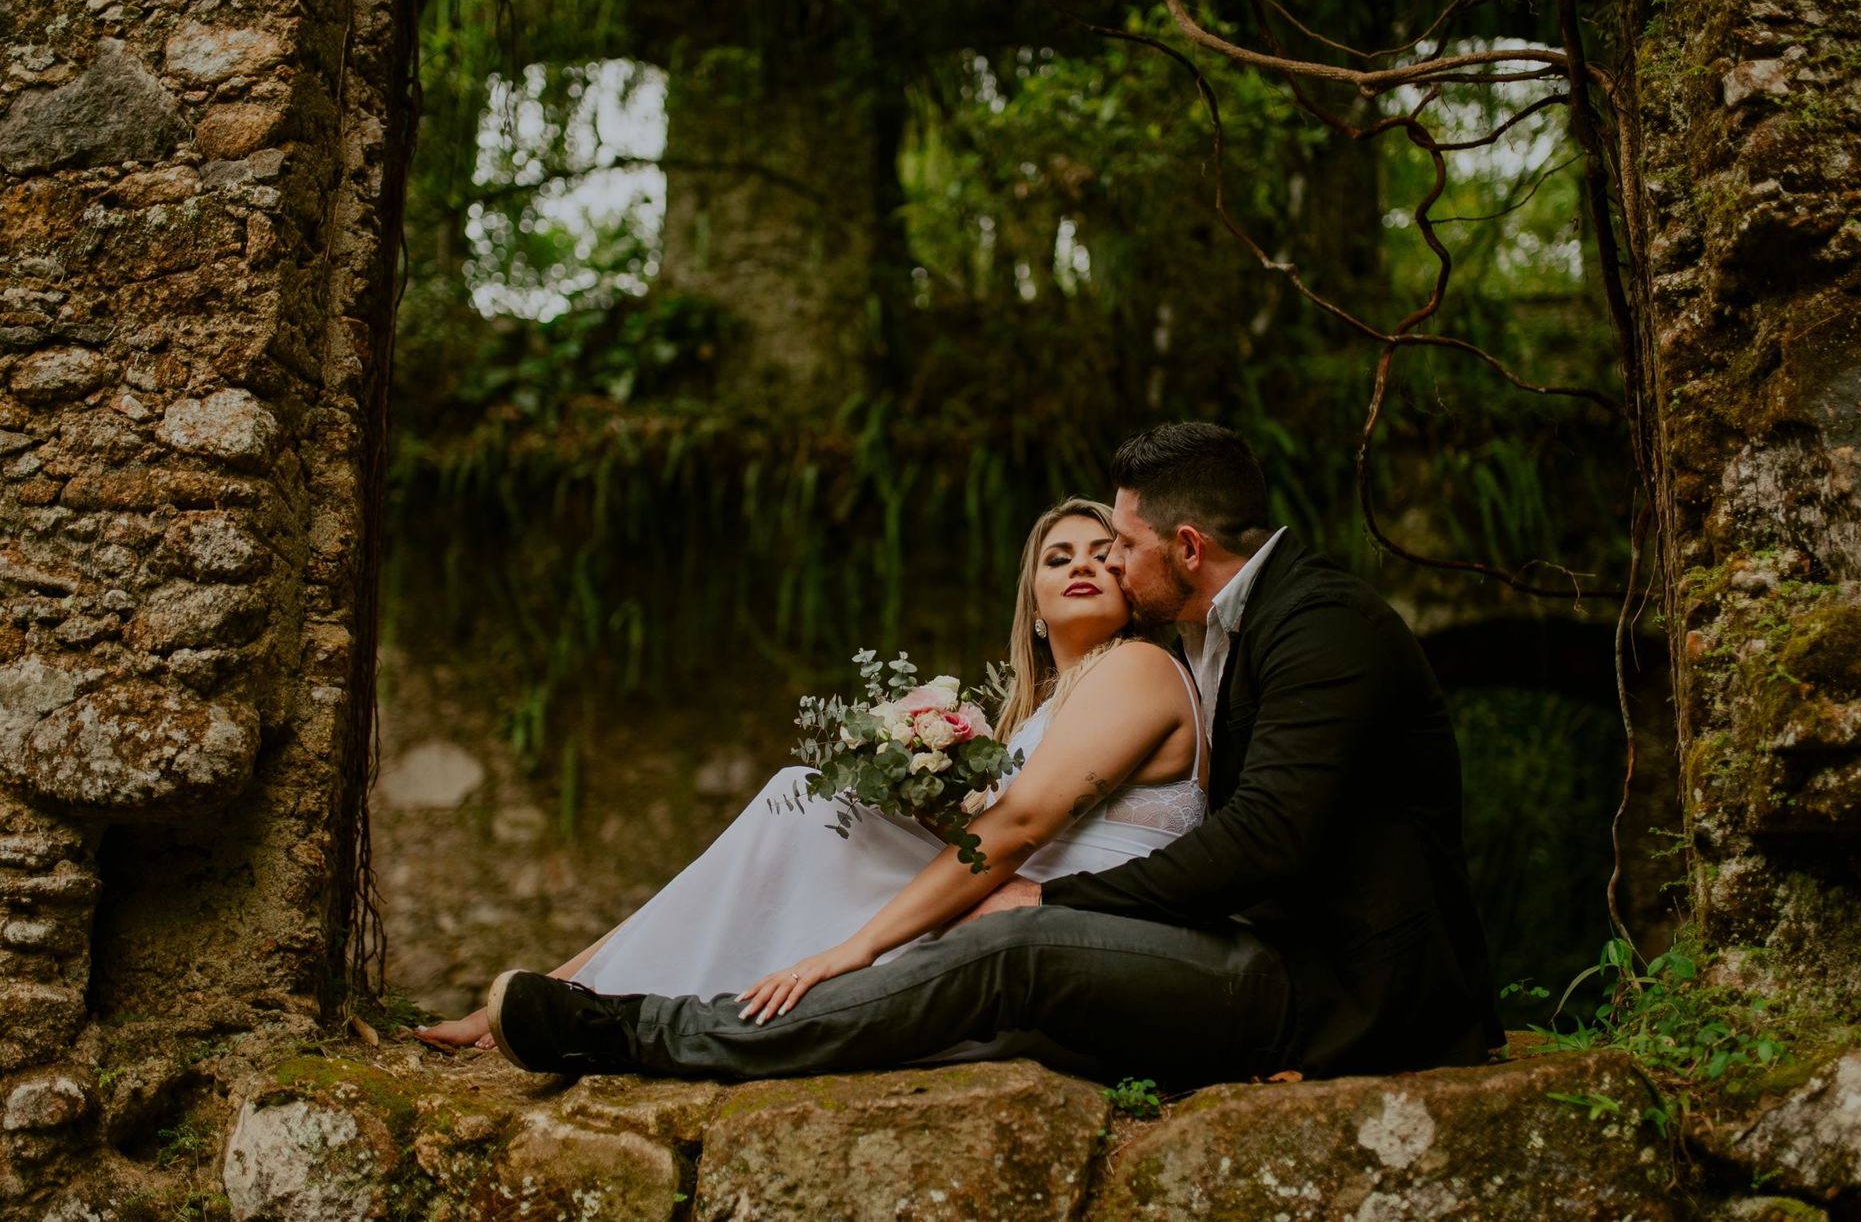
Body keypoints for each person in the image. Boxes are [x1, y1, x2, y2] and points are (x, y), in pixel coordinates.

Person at [484, 422, 1502, 1085]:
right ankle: (612, 984)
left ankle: (651, 1033)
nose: (1111, 560)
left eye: (1122, 544)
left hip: (1333, 998)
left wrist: (1056, 901)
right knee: (845, 829)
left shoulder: (1322, 624)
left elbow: (1269, 838)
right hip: (1249, 951)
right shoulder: (1228, 636)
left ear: (1186, 546)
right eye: (1076, 551)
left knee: (1008, 946)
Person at [416, 496, 1208, 1056]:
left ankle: (598, 1002)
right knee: (800, 806)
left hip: (1088, 943)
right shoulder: (1035, 715)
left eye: (1104, 557)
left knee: (801, 811)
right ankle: (568, 987)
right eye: (1058, 557)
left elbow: (1022, 831)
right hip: (1009, 911)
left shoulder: (1137, 666)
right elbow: (1000, 837)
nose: (1082, 567)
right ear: (1032, 605)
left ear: (1133, 588)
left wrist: (851, 951)